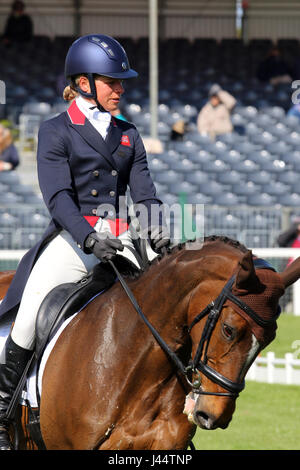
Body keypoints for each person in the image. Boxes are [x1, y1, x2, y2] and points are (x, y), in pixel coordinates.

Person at [0, 34, 170, 450]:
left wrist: (159, 231)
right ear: (82, 82)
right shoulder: (56, 130)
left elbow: (145, 195)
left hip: (122, 236)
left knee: (168, 302)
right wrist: (89, 238)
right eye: (112, 81)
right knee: (28, 316)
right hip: (75, 239)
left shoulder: (128, 134)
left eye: (120, 81)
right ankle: (3, 411)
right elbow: (58, 197)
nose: (121, 89)